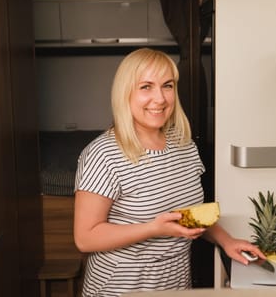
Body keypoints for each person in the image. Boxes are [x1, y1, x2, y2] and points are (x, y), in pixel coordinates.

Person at [74, 48, 264, 296]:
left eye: (167, 85)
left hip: (175, 282)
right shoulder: (103, 154)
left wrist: (228, 241)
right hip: (121, 287)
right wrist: (153, 228)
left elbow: (190, 214)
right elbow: (85, 238)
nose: (160, 98)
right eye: (146, 87)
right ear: (125, 93)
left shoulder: (183, 143)